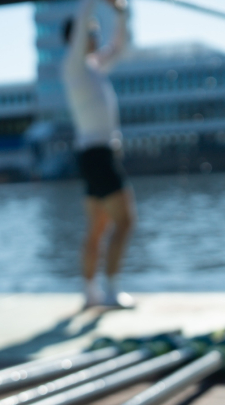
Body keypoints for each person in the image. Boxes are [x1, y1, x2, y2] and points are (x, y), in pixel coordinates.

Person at [62, 0, 136, 309]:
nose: (95, 35)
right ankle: (112, 290)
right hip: (99, 156)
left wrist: (120, 13)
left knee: (98, 227)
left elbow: (121, 48)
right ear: (78, 37)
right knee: (125, 221)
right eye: (91, 32)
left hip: (94, 156)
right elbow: (82, 15)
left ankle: (90, 293)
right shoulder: (74, 65)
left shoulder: (93, 68)